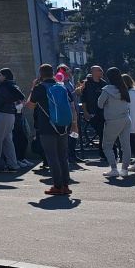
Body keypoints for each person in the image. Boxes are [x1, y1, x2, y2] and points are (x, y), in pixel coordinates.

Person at [26, 64, 78, 196]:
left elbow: (30, 106)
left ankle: (57, 185)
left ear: (40, 74)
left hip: (47, 126)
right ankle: (66, 185)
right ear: (53, 73)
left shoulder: (39, 88)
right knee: (62, 156)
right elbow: (72, 106)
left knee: (52, 156)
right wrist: (74, 123)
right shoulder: (62, 86)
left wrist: (33, 88)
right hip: (63, 125)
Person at [0, 68, 24, 173]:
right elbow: (21, 97)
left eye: (0, 75)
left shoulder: (3, 87)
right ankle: (12, 164)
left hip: (1, 114)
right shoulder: (13, 86)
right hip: (11, 115)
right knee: (7, 141)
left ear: (5, 76)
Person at [97, 67, 133, 178]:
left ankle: (113, 168)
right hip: (126, 119)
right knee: (126, 146)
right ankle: (125, 169)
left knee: (107, 146)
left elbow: (99, 104)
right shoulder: (124, 88)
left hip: (113, 120)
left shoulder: (107, 90)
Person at [80, 65, 106, 159]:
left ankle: (104, 153)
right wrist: (85, 112)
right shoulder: (87, 84)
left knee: (103, 132)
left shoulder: (104, 83)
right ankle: (104, 153)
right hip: (92, 112)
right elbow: (83, 99)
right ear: (93, 72)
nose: (101, 72)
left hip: (103, 112)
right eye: (99, 70)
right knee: (101, 132)